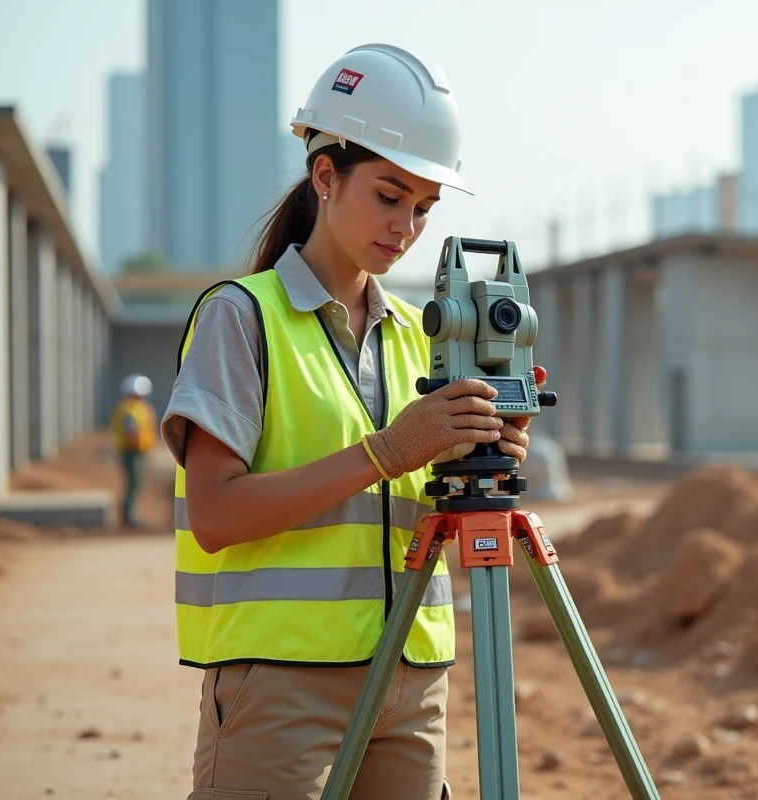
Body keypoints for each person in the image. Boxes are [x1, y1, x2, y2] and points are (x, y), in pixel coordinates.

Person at [160, 44, 539, 800]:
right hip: (282, 685)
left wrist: (478, 458)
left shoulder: (417, 334)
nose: (406, 227)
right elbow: (215, 514)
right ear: (325, 176)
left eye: (425, 209)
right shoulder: (243, 319)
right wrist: (390, 449)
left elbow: (405, 513)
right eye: (390, 197)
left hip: (412, 678)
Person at [110, 373, 157, 528]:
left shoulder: (132, 407)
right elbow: (131, 432)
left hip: (135, 451)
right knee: (134, 483)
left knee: (135, 483)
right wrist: (138, 445)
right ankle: (129, 516)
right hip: (132, 452)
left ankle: (130, 515)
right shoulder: (130, 409)